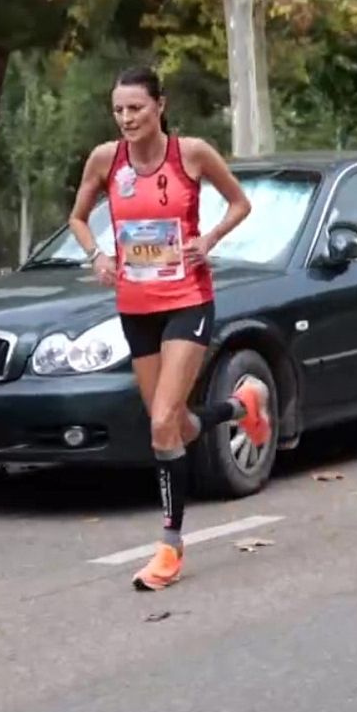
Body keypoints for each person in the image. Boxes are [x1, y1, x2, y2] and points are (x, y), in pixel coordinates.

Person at [68, 66, 271, 591]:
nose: (126, 118)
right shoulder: (105, 159)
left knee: (161, 422)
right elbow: (78, 217)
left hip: (187, 299)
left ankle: (170, 547)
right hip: (135, 304)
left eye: (136, 108)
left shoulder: (192, 154)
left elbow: (241, 203)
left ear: (159, 105)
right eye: (118, 110)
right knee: (174, 424)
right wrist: (97, 255)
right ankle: (241, 409)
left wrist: (208, 240)